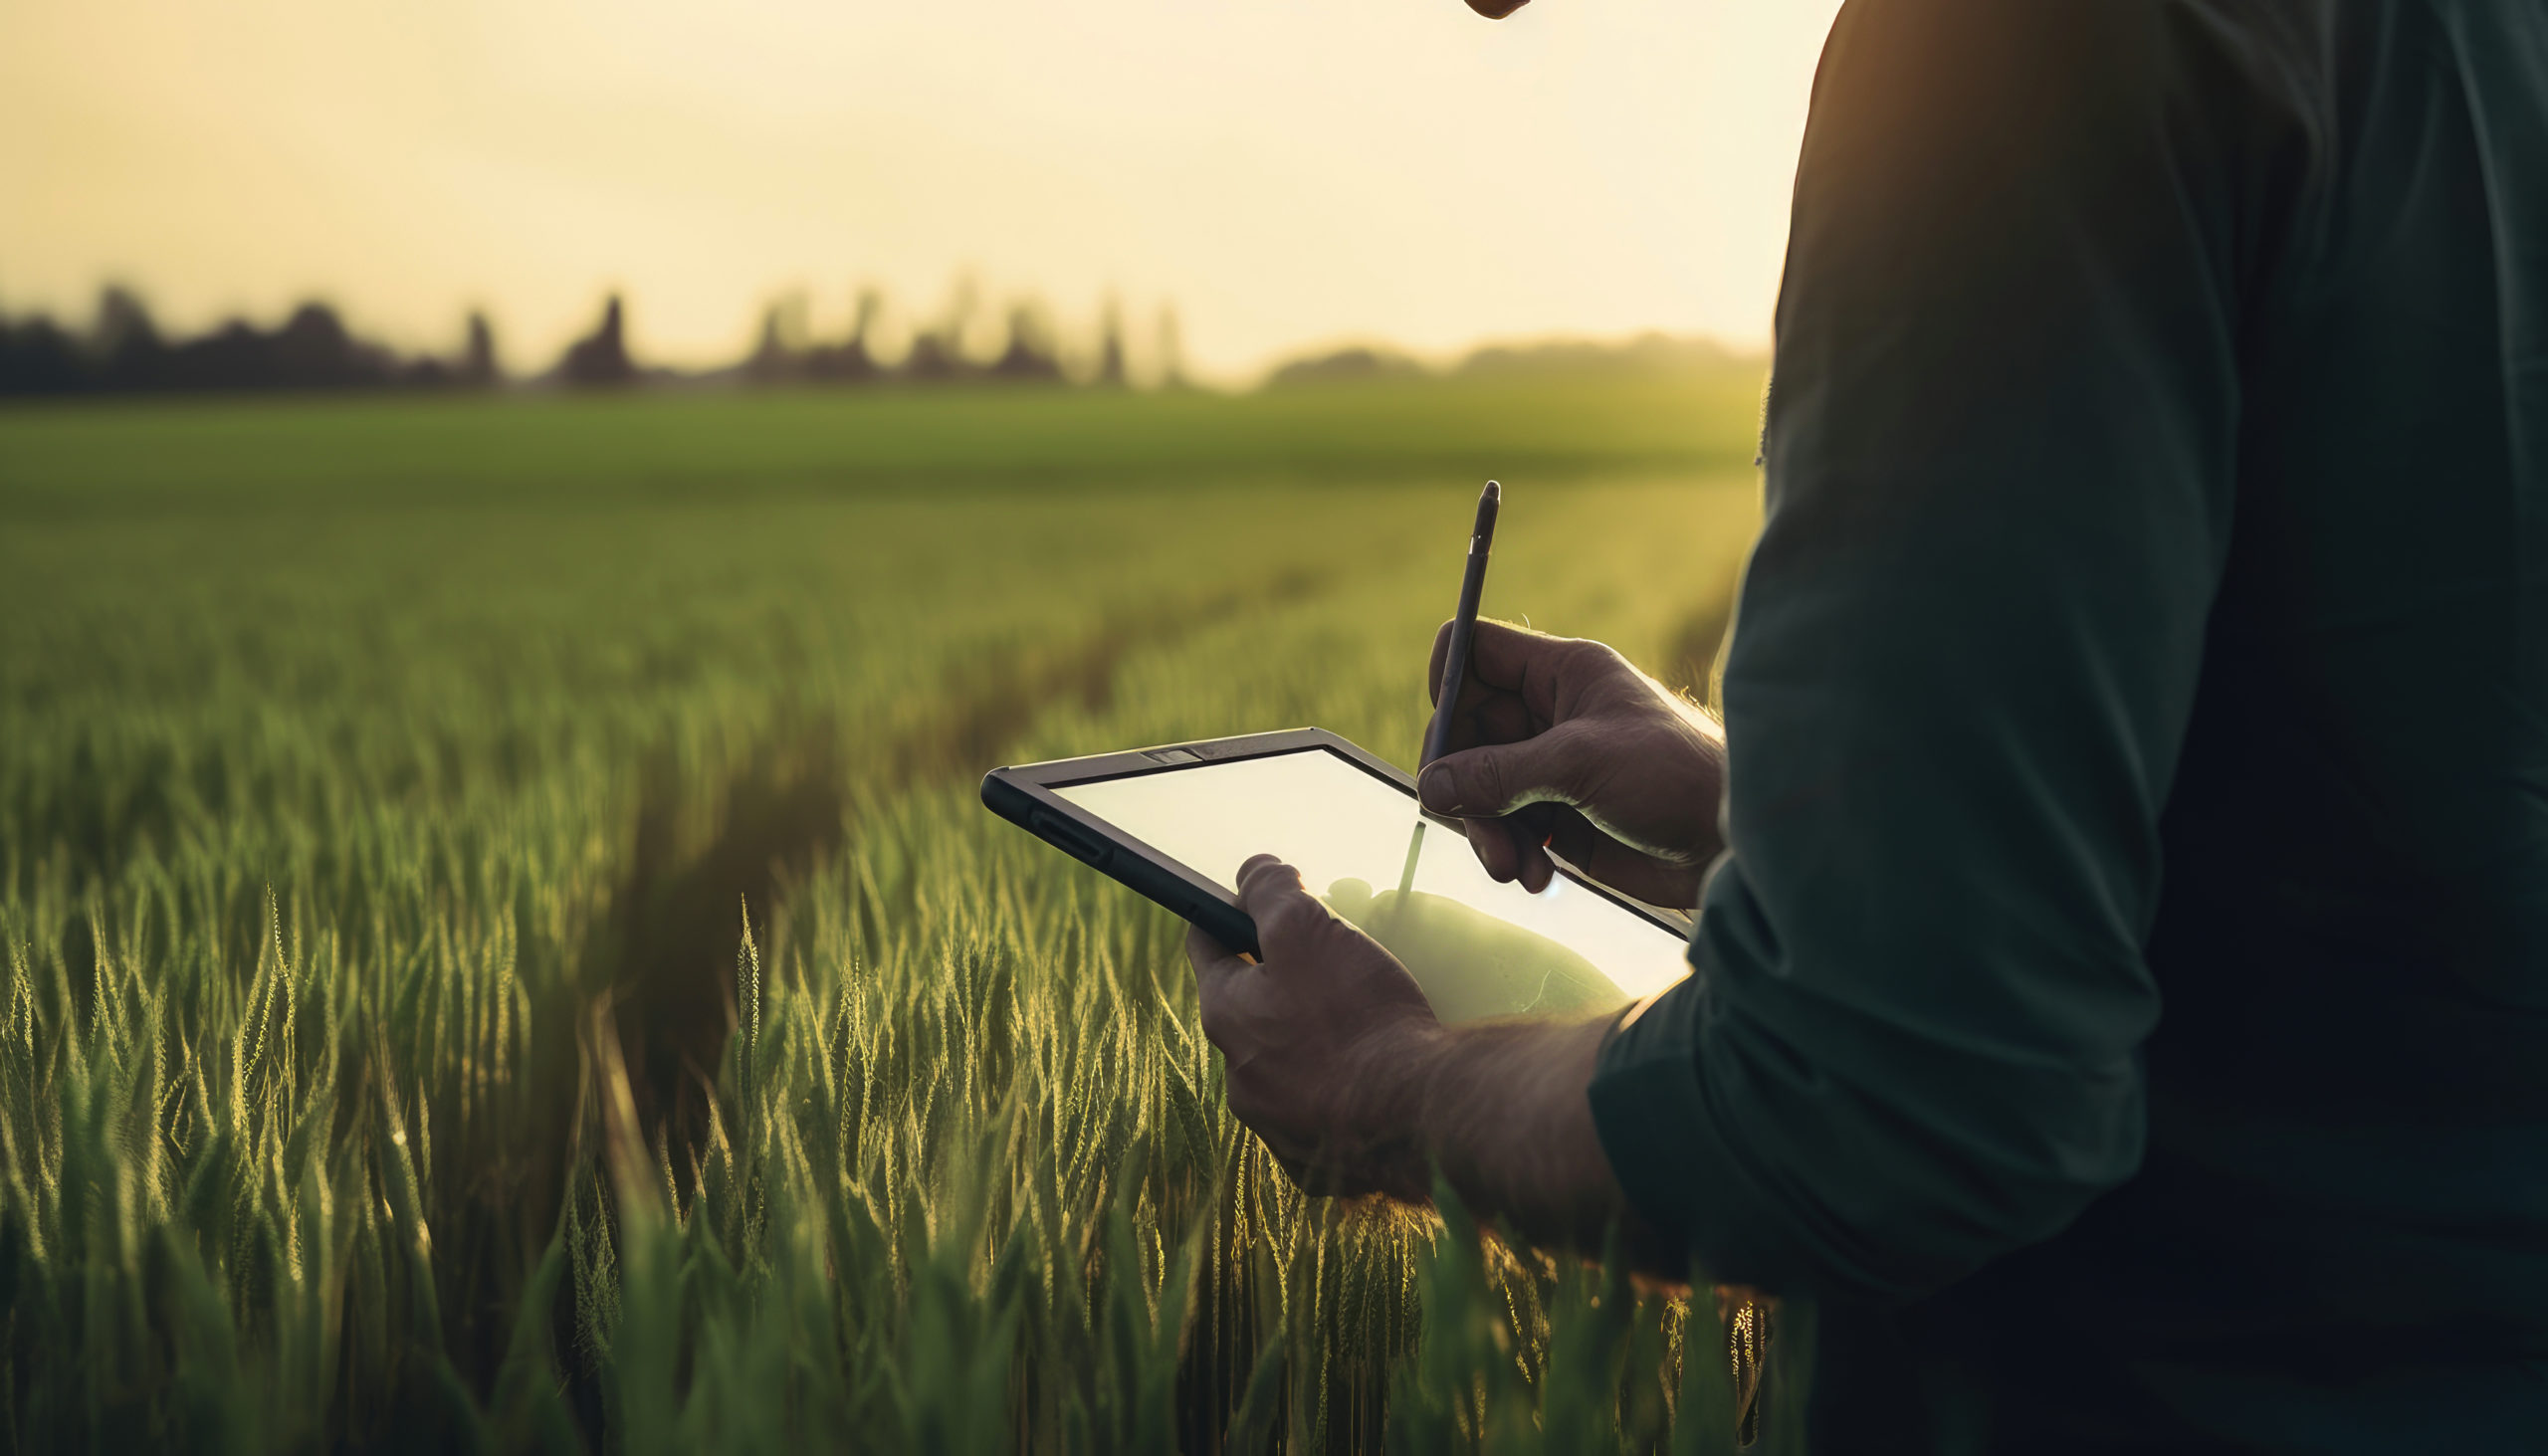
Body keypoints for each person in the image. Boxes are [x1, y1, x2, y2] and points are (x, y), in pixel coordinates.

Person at [1182, 1, 2548, 1450]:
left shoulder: (2005, 47)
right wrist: (1786, 817)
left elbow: (1881, 1101)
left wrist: (1388, 1094)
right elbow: (2391, 807)